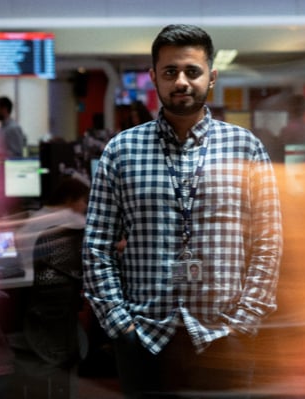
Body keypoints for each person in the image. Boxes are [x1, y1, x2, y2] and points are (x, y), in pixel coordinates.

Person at [82, 24, 283, 398]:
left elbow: (268, 241)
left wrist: (245, 321)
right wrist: (120, 325)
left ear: (212, 76)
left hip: (224, 336)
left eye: (193, 71)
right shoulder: (121, 151)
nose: (182, 82)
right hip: (145, 335)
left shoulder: (246, 148)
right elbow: (96, 247)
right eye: (171, 71)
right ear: (154, 77)